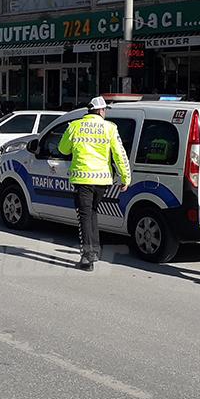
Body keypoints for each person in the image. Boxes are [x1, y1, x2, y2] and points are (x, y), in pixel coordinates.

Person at [58, 96, 132, 271]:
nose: (105, 113)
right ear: (100, 111)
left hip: (82, 178)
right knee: (92, 212)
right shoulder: (110, 128)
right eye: (104, 110)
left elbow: (62, 149)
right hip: (102, 180)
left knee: (84, 216)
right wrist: (125, 177)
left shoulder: (75, 126)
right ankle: (95, 250)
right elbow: (119, 154)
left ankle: (87, 256)